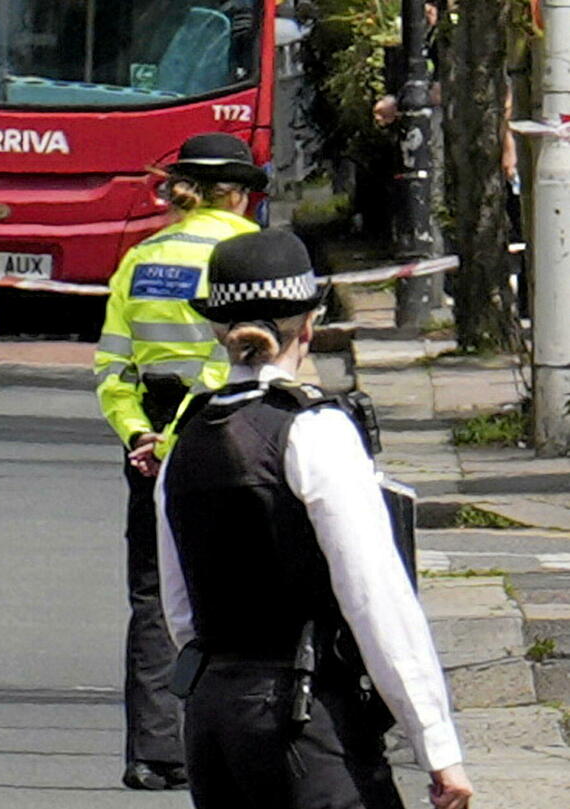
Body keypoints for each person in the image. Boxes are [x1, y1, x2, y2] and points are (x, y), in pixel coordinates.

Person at [154, 229, 473, 809]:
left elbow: (179, 608)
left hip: (214, 716)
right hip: (305, 717)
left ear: (219, 329)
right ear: (308, 324)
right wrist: (437, 745)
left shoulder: (188, 435)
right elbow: (375, 597)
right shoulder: (314, 430)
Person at [91, 131, 261, 791]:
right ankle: (224, 744)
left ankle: (153, 751)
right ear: (237, 193)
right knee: (239, 593)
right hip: (232, 434)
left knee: (154, 594)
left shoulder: (141, 258)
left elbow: (113, 366)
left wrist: (140, 435)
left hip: (152, 443)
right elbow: (244, 362)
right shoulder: (247, 255)